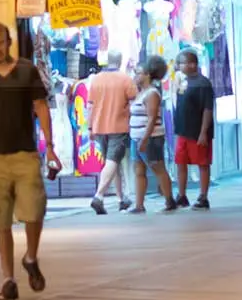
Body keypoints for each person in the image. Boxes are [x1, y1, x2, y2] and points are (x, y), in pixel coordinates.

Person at [0, 22, 62, 300]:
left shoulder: (27, 70)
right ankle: (8, 280)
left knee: (34, 210)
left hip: (24, 153)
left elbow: (41, 106)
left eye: (0, 43)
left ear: (9, 43)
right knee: (0, 219)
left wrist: (50, 147)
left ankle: (30, 257)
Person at [84, 52, 136, 215]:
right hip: (118, 126)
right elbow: (134, 102)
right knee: (113, 161)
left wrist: (90, 127)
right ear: (120, 61)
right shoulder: (125, 79)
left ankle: (120, 199)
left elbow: (90, 106)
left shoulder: (96, 80)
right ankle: (98, 196)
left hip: (99, 126)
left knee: (112, 163)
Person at [127, 56, 174, 213]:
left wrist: (145, 139)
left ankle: (169, 200)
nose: (135, 76)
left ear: (147, 75)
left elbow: (152, 118)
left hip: (150, 139)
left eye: (138, 73)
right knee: (139, 170)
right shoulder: (141, 93)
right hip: (136, 137)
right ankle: (139, 205)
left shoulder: (152, 93)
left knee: (157, 168)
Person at [173, 50, 217, 210]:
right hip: (183, 131)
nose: (179, 66)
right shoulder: (183, 81)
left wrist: (203, 132)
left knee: (202, 164)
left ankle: (203, 197)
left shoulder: (203, 83)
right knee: (181, 163)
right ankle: (182, 195)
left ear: (192, 64)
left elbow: (207, 109)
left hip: (197, 132)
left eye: (182, 63)